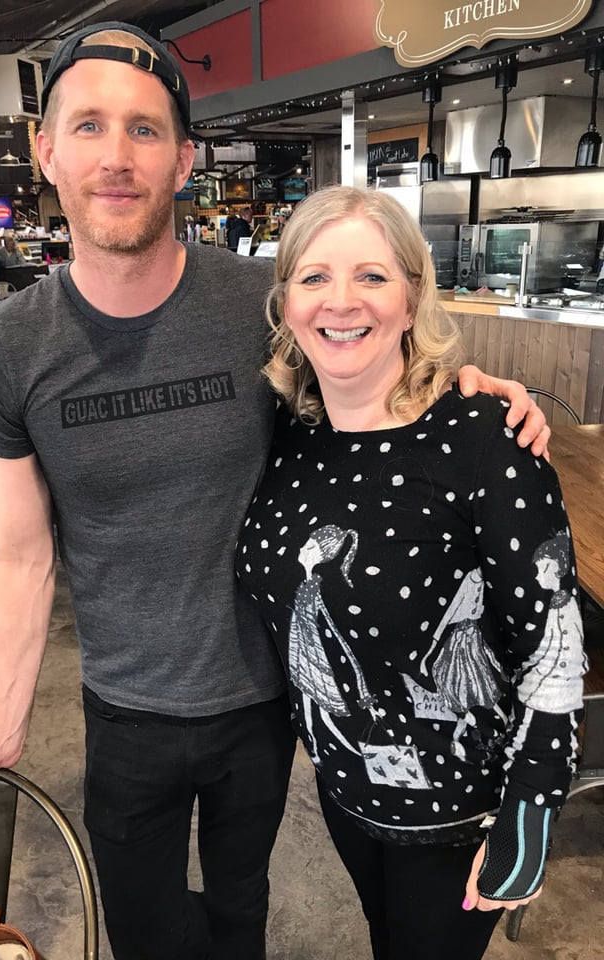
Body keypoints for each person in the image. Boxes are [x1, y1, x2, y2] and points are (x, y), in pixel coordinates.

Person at [0, 22, 549, 960]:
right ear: (45, 149)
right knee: (144, 932)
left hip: (264, 705)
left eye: (145, 130)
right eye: (88, 126)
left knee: (240, 919)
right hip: (123, 709)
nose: (117, 157)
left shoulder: (265, 300)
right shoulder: (4, 350)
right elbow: (23, 550)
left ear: (184, 159)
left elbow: (367, 359)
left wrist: (471, 393)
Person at [235, 185, 587, 960]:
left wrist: (527, 824)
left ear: (412, 296)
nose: (340, 300)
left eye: (371, 275)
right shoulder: (293, 435)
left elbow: (553, 648)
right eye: (314, 277)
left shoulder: (485, 439)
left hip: (461, 814)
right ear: (286, 301)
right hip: (345, 790)